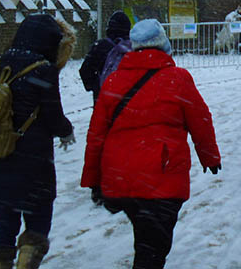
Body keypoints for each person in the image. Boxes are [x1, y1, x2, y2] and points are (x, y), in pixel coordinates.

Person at [81, 19, 221, 269]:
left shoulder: (113, 81)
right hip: (162, 175)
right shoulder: (177, 78)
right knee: (154, 248)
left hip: (121, 176)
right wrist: (209, 156)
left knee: (146, 238)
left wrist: (93, 178)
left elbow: (96, 134)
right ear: (164, 45)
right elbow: (200, 119)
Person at [0, 13, 77, 269]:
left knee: (4, 221)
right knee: (38, 217)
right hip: (31, 158)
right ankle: (28, 260)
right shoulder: (43, 69)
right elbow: (52, 115)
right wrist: (66, 130)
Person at [79, 10, 132, 103]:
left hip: (103, 99)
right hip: (126, 102)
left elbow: (85, 71)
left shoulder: (100, 46)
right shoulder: (134, 47)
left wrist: (96, 86)